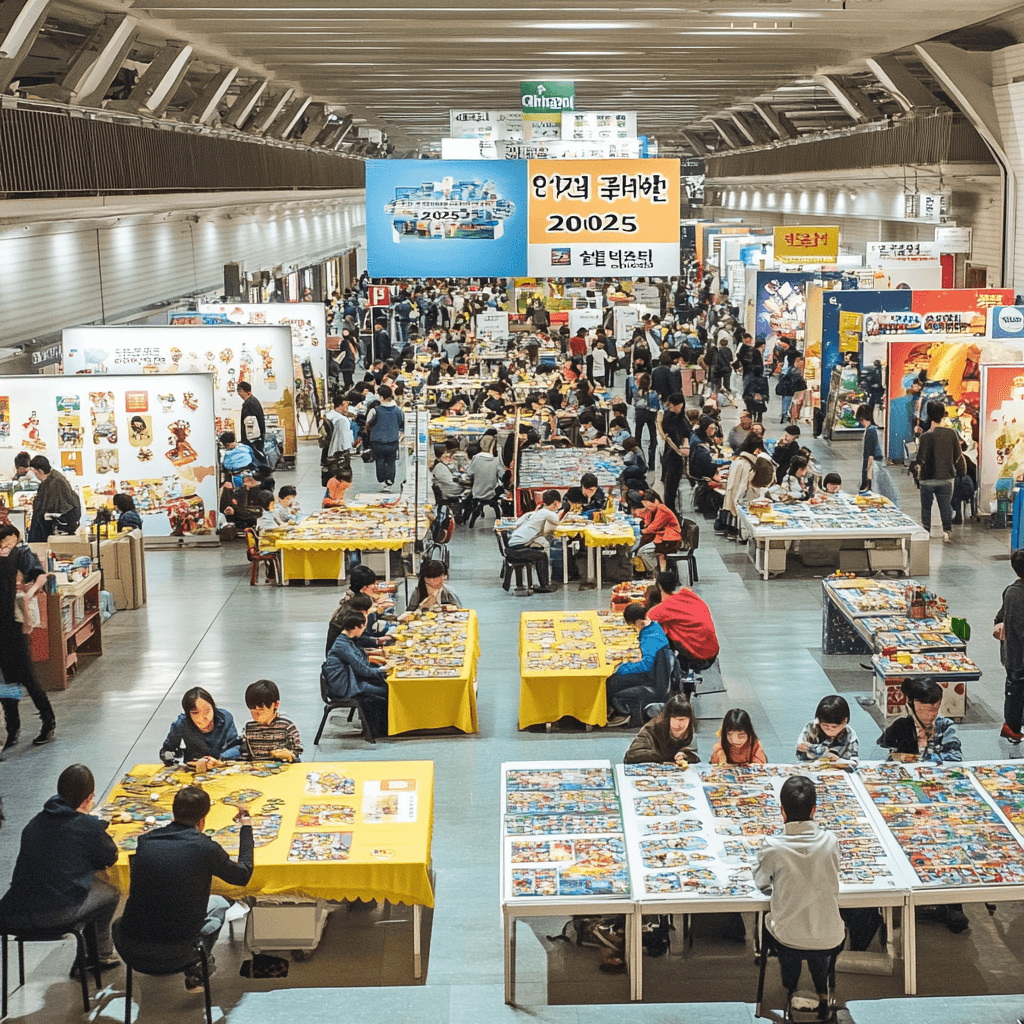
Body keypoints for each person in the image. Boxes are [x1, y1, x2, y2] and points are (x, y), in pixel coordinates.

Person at [115, 785, 254, 993]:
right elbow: (242, 876)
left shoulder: (145, 841)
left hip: (129, 949)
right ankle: (198, 969)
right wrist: (246, 829)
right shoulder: (206, 848)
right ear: (202, 821)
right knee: (220, 903)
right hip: (179, 953)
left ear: (173, 812)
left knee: (128, 917)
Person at [0, 764, 120, 972]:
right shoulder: (87, 826)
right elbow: (110, 857)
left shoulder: (34, 823)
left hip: (13, 912)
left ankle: (87, 953)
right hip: (56, 914)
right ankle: (101, 954)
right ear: (90, 797)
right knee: (110, 893)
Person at [753, 776, 845, 1019]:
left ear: (782, 811)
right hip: (831, 937)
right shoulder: (830, 840)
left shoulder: (772, 845)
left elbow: (762, 883)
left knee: (788, 932)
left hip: (787, 938)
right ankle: (822, 993)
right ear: (814, 810)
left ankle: (791, 987)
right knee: (816, 932)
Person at [0, 539, 56, 748]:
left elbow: (39, 574)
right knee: (5, 678)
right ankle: (12, 726)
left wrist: (28, 594)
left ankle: (47, 720)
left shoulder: (18, 551)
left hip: (14, 620)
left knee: (25, 674)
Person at [322, 611, 393, 736]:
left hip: (350, 681)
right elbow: (362, 669)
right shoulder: (343, 646)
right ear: (355, 627)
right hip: (347, 688)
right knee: (387, 690)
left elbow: (361, 662)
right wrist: (383, 669)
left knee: (383, 685)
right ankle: (382, 729)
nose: (364, 630)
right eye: (363, 627)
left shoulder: (346, 641)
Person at [604, 602, 670, 728]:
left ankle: (621, 713)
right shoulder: (655, 627)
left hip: (653, 681)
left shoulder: (649, 639)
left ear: (639, 622)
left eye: (632, 625)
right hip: (657, 674)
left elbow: (646, 666)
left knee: (612, 681)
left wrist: (622, 668)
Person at [646, 571, 719, 673]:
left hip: (699, 658)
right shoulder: (689, 597)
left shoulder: (667, 606)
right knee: (667, 625)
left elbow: (648, 618)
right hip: (712, 652)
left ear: (659, 586)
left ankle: (667, 674)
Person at [915, 400, 966, 542]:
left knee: (926, 507)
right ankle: (946, 532)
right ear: (943, 415)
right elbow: (958, 455)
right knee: (945, 505)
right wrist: (961, 472)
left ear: (929, 415)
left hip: (927, 478)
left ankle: (926, 530)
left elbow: (920, 459)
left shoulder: (926, 436)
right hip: (946, 477)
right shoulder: (951, 434)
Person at [878, 677, 962, 763]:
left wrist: (923, 757)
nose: (931, 715)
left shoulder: (945, 725)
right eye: (924, 711)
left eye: (935, 709)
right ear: (912, 706)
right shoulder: (901, 725)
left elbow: (955, 757)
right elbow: (882, 750)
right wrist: (897, 756)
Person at [160, 687, 241, 768]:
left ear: (213, 707)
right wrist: (171, 759)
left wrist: (220, 759)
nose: (202, 717)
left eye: (207, 711)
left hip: (221, 766)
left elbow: (236, 747)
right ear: (188, 714)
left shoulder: (224, 717)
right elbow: (166, 750)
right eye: (195, 713)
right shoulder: (181, 724)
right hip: (193, 768)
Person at [325, 565, 391, 654]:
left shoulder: (350, 599)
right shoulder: (356, 607)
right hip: (344, 659)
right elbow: (357, 639)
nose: (376, 588)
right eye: (373, 586)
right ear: (364, 588)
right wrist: (377, 642)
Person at [505, 489, 560, 594]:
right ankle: (544, 586)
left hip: (513, 546)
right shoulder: (546, 512)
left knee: (539, 552)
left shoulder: (539, 512)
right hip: (516, 549)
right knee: (541, 555)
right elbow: (558, 521)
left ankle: (543, 584)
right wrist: (564, 510)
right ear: (556, 503)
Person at [995, 548, 1024, 744]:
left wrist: (998, 625)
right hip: (1019, 654)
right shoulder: (1018, 594)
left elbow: (1000, 616)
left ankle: (1012, 727)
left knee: (1014, 689)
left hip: (1012, 654)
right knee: (1016, 690)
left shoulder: (1010, 590)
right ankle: (1012, 727)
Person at [623, 694, 698, 765]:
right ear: (667, 719)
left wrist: (684, 755)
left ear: (690, 719)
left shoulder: (690, 730)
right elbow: (631, 755)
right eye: (675, 719)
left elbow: (694, 756)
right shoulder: (652, 729)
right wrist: (664, 755)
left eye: (683, 719)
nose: (679, 724)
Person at [241, 679, 303, 762]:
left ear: (275, 705)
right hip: (256, 770)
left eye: (261, 710)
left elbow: (297, 751)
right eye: (252, 710)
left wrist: (289, 754)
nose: (256, 715)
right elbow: (244, 755)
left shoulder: (286, 726)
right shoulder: (248, 728)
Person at [795, 695, 859, 770]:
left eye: (834, 727)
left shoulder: (849, 735)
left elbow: (853, 763)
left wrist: (839, 762)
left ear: (844, 721)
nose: (829, 730)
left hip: (838, 773)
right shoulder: (812, 728)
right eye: (825, 726)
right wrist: (803, 748)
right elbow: (801, 758)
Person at [27, 455, 81, 542]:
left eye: (35, 473)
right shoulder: (53, 478)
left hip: (55, 528)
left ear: (40, 471)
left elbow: (51, 509)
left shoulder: (55, 483)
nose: (35, 476)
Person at [365, 384, 405, 489]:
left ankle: (382, 479)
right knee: (391, 461)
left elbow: (367, 424)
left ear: (381, 397)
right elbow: (401, 424)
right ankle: (390, 481)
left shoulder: (375, 410)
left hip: (377, 441)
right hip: (393, 440)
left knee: (379, 460)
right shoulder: (398, 411)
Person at [658, 393, 691, 515]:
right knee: (670, 485)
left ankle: (670, 509)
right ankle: (670, 510)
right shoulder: (670, 417)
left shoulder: (681, 419)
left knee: (673, 484)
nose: (669, 406)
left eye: (671, 404)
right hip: (672, 454)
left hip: (677, 454)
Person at [634, 490, 681, 575]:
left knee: (642, 551)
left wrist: (641, 531)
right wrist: (647, 512)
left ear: (655, 501)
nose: (648, 508)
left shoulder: (662, 510)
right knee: (640, 548)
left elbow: (653, 527)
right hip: (662, 537)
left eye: (649, 506)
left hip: (669, 540)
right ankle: (654, 571)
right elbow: (648, 524)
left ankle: (656, 573)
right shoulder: (654, 509)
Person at [632, 373, 661, 470]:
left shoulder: (636, 392)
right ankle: (651, 462)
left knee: (638, 436)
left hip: (639, 415)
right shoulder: (653, 393)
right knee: (653, 437)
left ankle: (639, 460)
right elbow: (657, 407)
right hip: (650, 416)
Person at [235, 381, 266, 468]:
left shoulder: (249, 403)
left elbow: (249, 423)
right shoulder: (253, 400)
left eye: (239, 391)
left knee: (255, 458)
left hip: (252, 438)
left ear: (242, 391)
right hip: (257, 436)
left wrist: (247, 440)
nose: (239, 394)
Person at [856, 405, 883, 493]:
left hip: (871, 464)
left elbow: (870, 453)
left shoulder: (870, 430)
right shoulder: (874, 429)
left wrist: (867, 472)